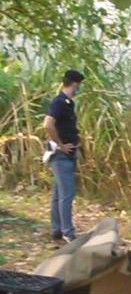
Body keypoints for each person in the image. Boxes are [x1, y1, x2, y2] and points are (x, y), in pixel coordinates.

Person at [43, 69, 84, 242]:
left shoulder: (68, 103)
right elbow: (47, 124)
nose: (79, 88)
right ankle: (68, 232)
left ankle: (56, 229)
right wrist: (60, 145)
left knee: (59, 193)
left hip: (68, 154)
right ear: (74, 84)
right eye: (79, 85)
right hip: (61, 156)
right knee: (67, 193)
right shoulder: (59, 102)